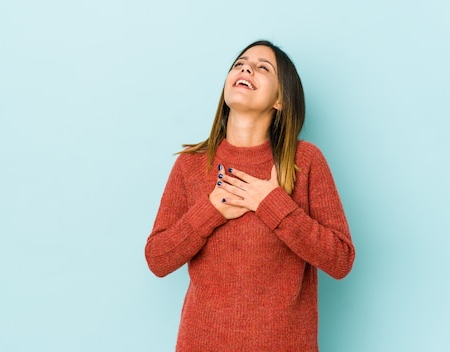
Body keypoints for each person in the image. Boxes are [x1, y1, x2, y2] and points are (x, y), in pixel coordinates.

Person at [145, 40, 355, 352]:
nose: (246, 68)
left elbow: (340, 259)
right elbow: (158, 259)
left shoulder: (305, 160)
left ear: (281, 99)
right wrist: (211, 210)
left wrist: (271, 204)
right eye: (240, 63)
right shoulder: (190, 164)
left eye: (262, 67)